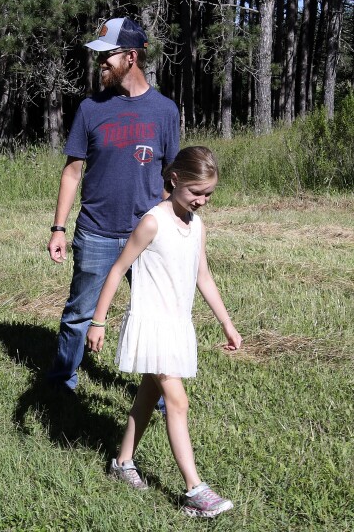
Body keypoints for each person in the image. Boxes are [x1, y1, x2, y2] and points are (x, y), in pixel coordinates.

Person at [86, 146, 241, 518]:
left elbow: (203, 276)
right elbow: (117, 268)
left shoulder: (197, 225)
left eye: (209, 194)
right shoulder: (153, 221)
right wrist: (98, 321)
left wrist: (227, 323)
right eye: (196, 192)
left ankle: (123, 463)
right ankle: (194, 490)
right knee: (177, 402)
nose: (203, 201)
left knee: (145, 398)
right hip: (150, 324)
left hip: (176, 326)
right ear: (174, 180)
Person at [47, 17, 180, 392]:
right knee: (78, 313)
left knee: (153, 316)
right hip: (96, 232)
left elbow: (171, 178)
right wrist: (58, 228)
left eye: (108, 55)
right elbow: (72, 172)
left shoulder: (165, 111)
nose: (100, 61)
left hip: (147, 235)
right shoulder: (91, 108)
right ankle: (61, 384)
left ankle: (155, 392)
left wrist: (169, 228)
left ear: (132, 57)